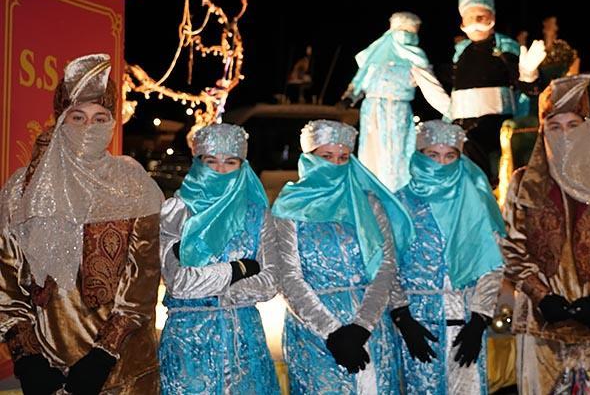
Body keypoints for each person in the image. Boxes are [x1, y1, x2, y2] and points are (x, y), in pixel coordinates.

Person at [0, 54, 164, 394]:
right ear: (61, 119)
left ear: (112, 121)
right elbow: (6, 282)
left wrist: (104, 355)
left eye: (99, 118)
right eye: (78, 117)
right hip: (48, 368)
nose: (89, 128)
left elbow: (143, 282)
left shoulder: (132, 183)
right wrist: (27, 357)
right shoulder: (22, 190)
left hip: (122, 369)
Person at [501, 74, 590, 393]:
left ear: (587, 128)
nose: (564, 135)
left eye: (573, 126)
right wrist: (542, 297)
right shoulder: (524, 184)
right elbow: (510, 247)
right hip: (541, 326)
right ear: (543, 130)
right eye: (555, 126)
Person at [272, 119, 414, 394]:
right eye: (327, 157)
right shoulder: (289, 207)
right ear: (309, 158)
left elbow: (385, 266)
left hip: (372, 330)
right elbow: (288, 277)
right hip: (316, 336)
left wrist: (362, 326)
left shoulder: (368, 204)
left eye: (343, 157)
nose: (335, 165)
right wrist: (332, 332)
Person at [158, 123, 280, 394]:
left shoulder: (256, 215)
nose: (220, 170)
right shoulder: (177, 212)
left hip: (244, 341)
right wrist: (237, 269)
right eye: (211, 161)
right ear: (198, 163)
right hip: (189, 343)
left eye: (230, 162)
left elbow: (270, 281)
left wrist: (211, 287)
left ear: (243, 166)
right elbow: (179, 283)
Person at [392, 120, 505, 394]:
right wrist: (402, 318)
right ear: (419, 155)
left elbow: (491, 265)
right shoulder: (398, 204)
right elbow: (386, 266)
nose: (441, 164)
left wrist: (479, 320)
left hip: (465, 327)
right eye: (433, 155)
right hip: (415, 330)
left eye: (449, 156)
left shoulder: (476, 203)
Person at [450, 0, 546, 186]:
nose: (475, 23)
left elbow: (529, 89)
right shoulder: (461, 52)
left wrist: (529, 74)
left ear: (492, 17)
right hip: (460, 125)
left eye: (480, 17)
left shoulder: (505, 48)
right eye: (469, 18)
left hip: (495, 127)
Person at [342, 12, 450, 191]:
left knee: (396, 157)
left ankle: (397, 196)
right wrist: (350, 96)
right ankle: (371, 196)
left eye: (412, 33)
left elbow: (431, 87)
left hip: (398, 112)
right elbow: (360, 81)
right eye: (404, 31)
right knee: (372, 156)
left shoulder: (415, 57)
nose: (407, 37)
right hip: (372, 112)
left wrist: (450, 109)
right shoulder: (376, 58)